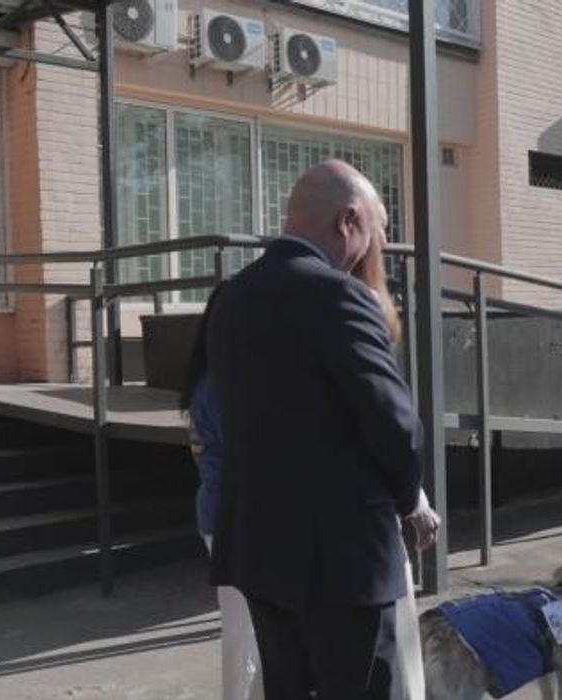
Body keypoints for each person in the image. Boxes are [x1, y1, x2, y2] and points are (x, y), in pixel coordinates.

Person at [206, 160, 437, 700]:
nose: (379, 245)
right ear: (347, 220)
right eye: (378, 229)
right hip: (343, 563)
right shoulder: (339, 295)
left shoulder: (231, 298)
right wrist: (410, 500)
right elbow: (394, 422)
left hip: (260, 552)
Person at [180, 284, 264, 700]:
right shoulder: (224, 385)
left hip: (222, 515)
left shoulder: (209, 380)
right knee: (247, 633)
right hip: (238, 519)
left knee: (244, 630)